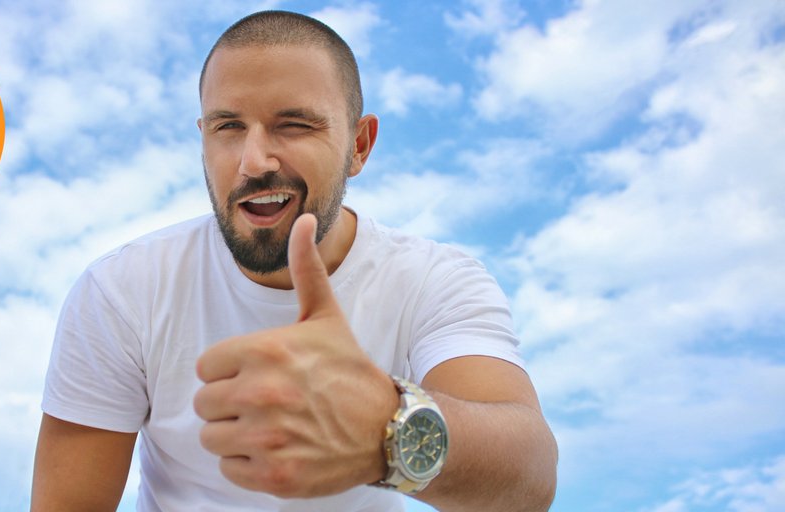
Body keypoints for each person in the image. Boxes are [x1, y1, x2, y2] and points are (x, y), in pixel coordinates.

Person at [31, 10, 557, 512]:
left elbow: (530, 478)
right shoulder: (122, 290)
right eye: (228, 126)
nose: (253, 161)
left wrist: (387, 426)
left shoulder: (433, 281)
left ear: (359, 145)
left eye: (294, 125)